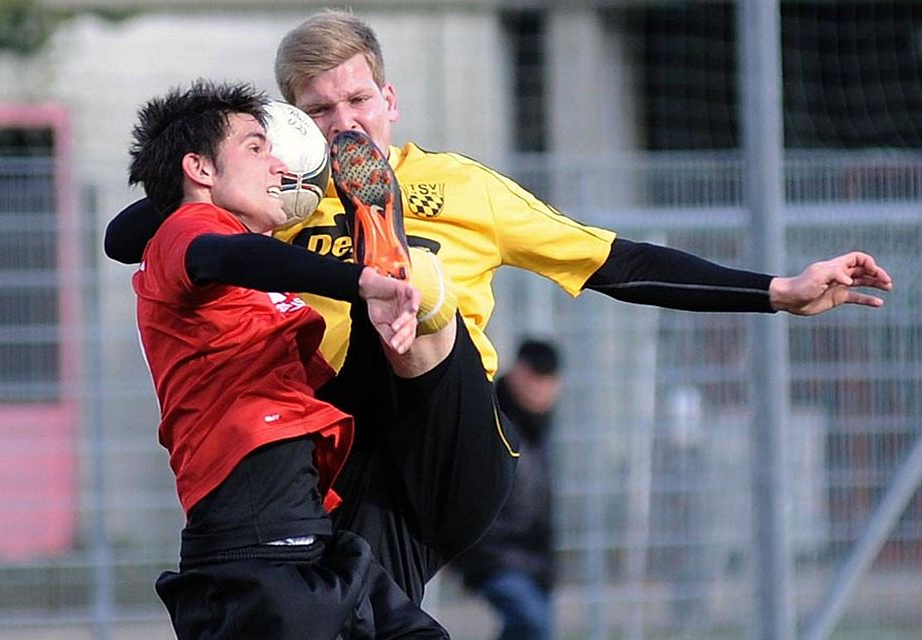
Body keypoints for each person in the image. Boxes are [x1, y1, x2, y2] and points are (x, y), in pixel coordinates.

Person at [104, 9, 893, 604]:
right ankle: (389, 281)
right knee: (354, 614)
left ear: (390, 98)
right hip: (353, 457)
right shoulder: (273, 203)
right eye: (318, 111)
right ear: (289, 125)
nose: (345, 123)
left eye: (358, 100)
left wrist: (775, 290)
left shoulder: (462, 187)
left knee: (416, 301)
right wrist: (235, 178)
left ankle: (399, 270)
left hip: (452, 431)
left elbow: (614, 262)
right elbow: (127, 236)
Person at [125, 78, 449, 638]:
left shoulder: (256, 284)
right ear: (199, 169)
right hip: (254, 540)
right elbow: (226, 255)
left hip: (307, 533)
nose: (279, 165)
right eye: (256, 148)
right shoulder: (187, 230)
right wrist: (359, 282)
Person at [453, 338, 564, 640]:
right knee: (533, 625)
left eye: (547, 380)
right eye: (534, 377)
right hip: (490, 553)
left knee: (532, 629)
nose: (540, 388)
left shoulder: (539, 427)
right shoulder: (491, 416)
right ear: (517, 373)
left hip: (532, 558)